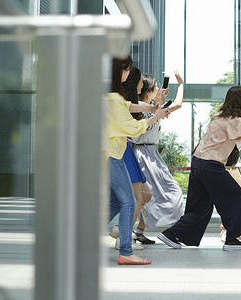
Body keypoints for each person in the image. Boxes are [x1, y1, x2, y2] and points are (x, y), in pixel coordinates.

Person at [157, 86, 241, 251]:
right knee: (236, 197)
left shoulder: (219, 116)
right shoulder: (237, 121)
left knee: (200, 206)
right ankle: (232, 240)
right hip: (211, 166)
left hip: (198, 163)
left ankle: (172, 234)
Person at [107, 56, 169, 265]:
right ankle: (125, 251)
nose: (129, 73)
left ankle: (80, 239)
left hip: (110, 154)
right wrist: (154, 117)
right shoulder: (113, 99)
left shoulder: (110, 97)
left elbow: (129, 106)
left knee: (117, 201)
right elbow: (132, 129)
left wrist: (150, 108)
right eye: (128, 69)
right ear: (121, 71)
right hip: (112, 155)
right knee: (129, 201)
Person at [131, 71, 185, 244]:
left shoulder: (153, 106)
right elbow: (140, 131)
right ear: (148, 90)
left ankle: (138, 230)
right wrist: (157, 107)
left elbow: (177, 104)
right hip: (143, 153)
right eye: (155, 87)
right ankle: (130, 232)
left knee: (147, 195)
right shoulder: (138, 108)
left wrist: (181, 85)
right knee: (154, 194)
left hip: (150, 153)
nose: (158, 89)